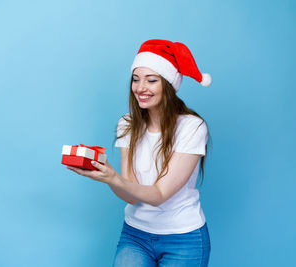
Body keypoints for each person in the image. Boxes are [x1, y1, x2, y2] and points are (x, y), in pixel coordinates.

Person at [67, 39, 212, 267]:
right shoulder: (127, 124)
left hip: (184, 238)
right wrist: (107, 176)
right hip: (135, 235)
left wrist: (113, 177)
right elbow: (130, 195)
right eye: (136, 79)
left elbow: (159, 194)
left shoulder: (192, 127)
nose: (140, 87)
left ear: (169, 84)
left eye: (151, 80)